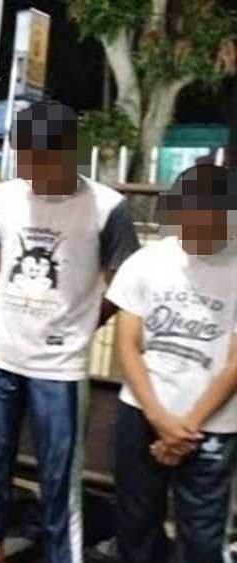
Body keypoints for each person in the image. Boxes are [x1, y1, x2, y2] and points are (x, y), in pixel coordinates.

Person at [0, 102, 139, 563]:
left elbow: (124, 282)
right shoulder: (2, 197)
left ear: (69, 153)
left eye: (42, 161)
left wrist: (83, 322)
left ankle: (61, 554)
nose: (32, 172)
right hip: (0, 353)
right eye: (24, 160)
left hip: (60, 364)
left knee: (59, 471)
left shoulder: (108, 207)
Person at [108, 164, 237, 563]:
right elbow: (127, 345)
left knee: (201, 535)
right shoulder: (147, 261)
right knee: (135, 523)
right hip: (142, 413)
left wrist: (185, 428)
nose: (195, 234)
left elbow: (235, 363)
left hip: (212, 424)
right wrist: (159, 417)